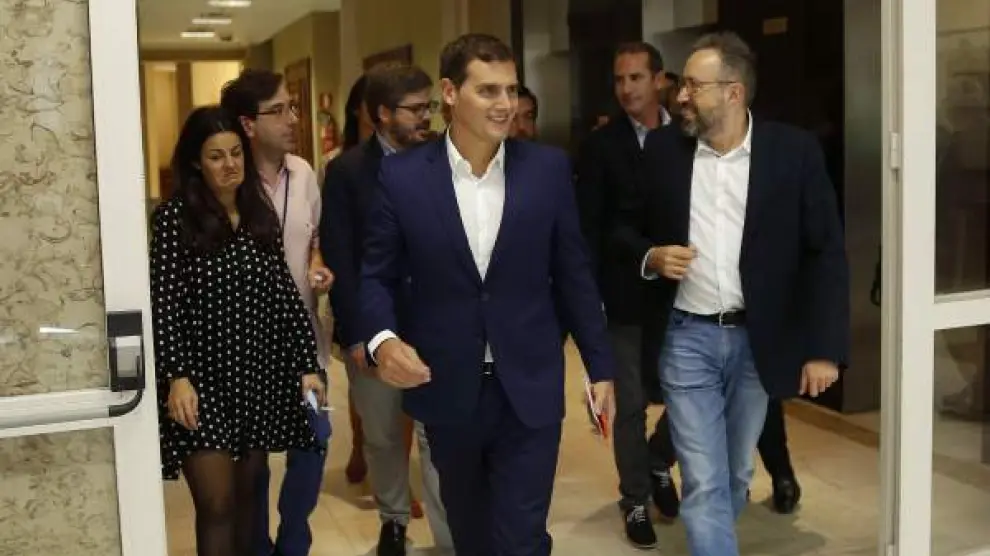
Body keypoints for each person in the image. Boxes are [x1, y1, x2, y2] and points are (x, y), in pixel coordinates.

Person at [359, 33, 616, 556]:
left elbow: (573, 272)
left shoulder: (546, 169)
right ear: (450, 92)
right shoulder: (402, 176)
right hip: (448, 385)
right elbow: (375, 276)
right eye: (489, 91)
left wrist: (600, 367)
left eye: (512, 90)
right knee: (470, 535)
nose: (506, 104)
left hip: (529, 382)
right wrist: (383, 341)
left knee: (522, 537)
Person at [613, 32, 849, 556]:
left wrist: (824, 348)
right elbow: (622, 227)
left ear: (733, 92)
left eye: (693, 86)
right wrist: (652, 256)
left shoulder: (793, 153)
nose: (680, 95)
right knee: (703, 480)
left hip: (758, 341)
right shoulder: (663, 152)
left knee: (735, 474)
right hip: (686, 337)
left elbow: (825, 253)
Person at [150, 105, 326, 556]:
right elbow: (163, 305)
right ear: (195, 162)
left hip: (255, 376)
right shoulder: (174, 219)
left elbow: (284, 295)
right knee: (217, 504)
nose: (229, 164)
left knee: (249, 501)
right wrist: (177, 376)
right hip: (200, 383)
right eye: (215, 156)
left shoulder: (257, 213)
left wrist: (307, 365)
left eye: (235, 153)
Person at [321, 62, 452, 556]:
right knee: (381, 435)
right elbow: (341, 256)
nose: (426, 117)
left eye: (428, 106)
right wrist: (358, 333)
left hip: (434, 323)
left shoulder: (444, 161)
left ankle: (450, 537)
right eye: (414, 109)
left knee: (437, 436)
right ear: (381, 114)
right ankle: (393, 520)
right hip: (374, 326)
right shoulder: (348, 171)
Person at [218, 68, 333, 556]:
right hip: (247, 352)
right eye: (279, 110)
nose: (292, 119)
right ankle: (257, 546)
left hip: (304, 345)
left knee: (315, 439)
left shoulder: (303, 173)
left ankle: (293, 538)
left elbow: (314, 237)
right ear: (248, 124)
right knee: (254, 462)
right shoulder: (228, 181)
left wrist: (317, 264)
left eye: (292, 108)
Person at [574, 41, 677, 549]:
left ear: (659, 80)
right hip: (623, 295)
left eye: (636, 77)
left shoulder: (686, 137)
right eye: (619, 79)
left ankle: (659, 460)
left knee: (688, 395)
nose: (626, 88)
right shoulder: (601, 146)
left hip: (683, 294)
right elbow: (592, 227)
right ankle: (635, 498)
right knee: (631, 404)